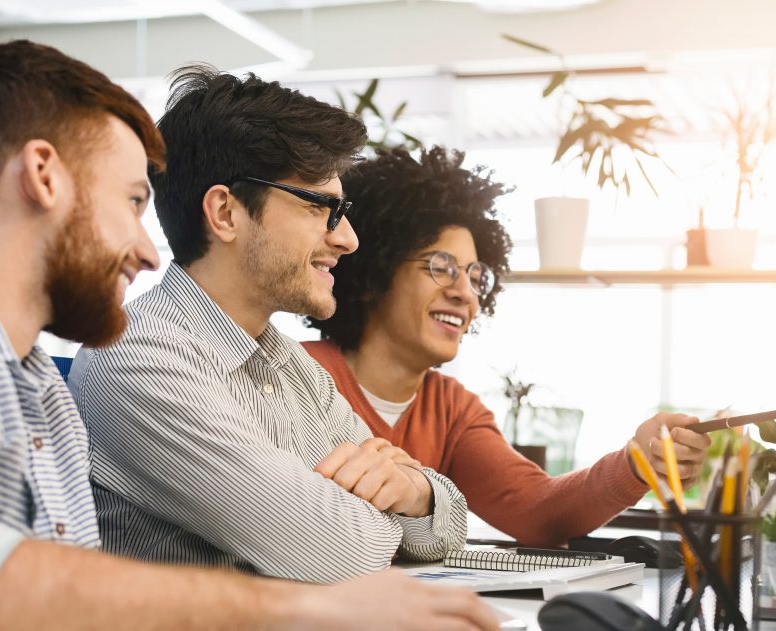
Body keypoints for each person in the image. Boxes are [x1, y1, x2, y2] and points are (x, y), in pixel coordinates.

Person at [0, 41, 497, 631]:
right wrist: (312, 599)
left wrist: (409, 491)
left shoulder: (36, 379)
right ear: (42, 176)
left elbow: (433, 526)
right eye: (130, 202)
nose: (149, 253)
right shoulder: (78, 353)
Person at [69, 66, 469, 583]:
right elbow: (335, 552)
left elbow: (448, 521)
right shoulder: (137, 360)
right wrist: (382, 510)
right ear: (226, 213)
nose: (347, 238)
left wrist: (414, 490)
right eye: (319, 207)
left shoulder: (289, 363)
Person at [303, 147, 712, 548]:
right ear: (374, 273)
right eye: (441, 268)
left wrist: (638, 461)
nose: (465, 293)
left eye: (476, 275)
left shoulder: (452, 409)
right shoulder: (294, 371)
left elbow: (539, 511)